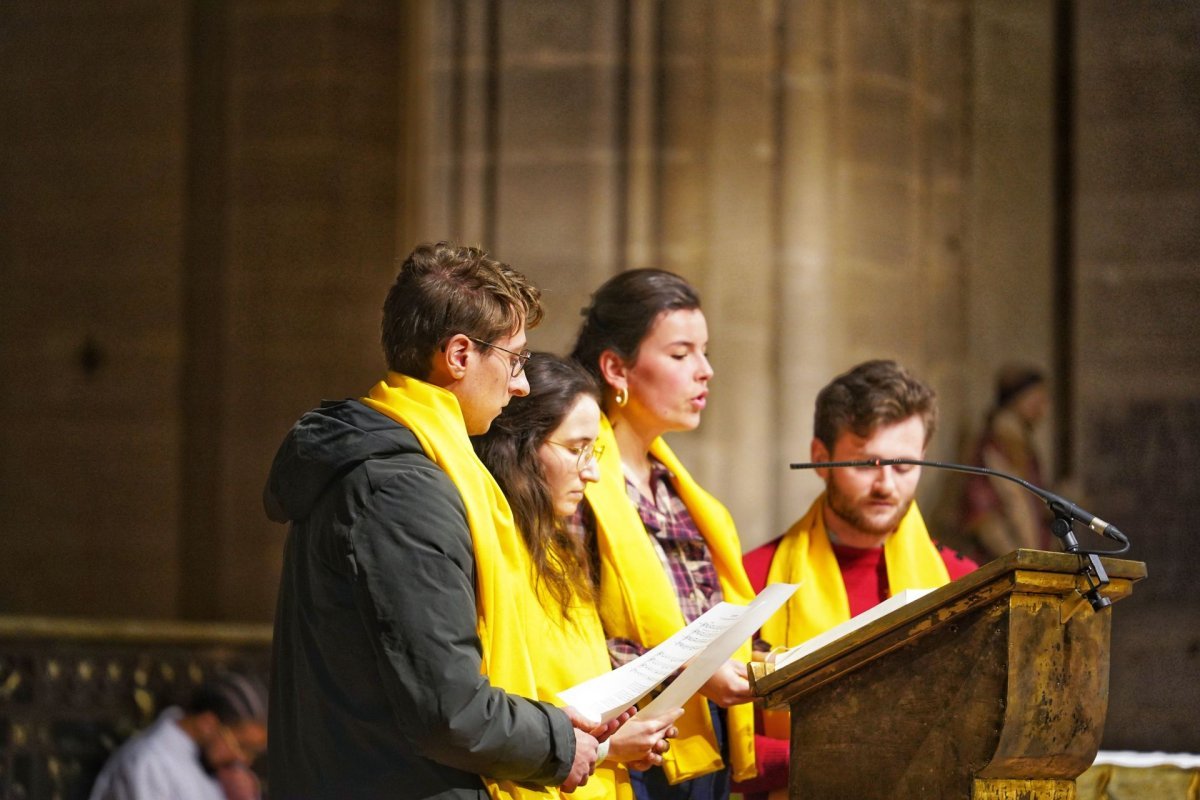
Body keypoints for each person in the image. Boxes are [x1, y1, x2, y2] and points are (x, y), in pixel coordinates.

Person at [264, 242, 614, 798]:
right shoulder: (401, 489)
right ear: (458, 355)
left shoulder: (380, 465)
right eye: (515, 359)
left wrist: (547, 725)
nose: (521, 383)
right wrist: (555, 743)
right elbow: (446, 709)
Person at [738, 359, 977, 800]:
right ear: (820, 459)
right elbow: (721, 748)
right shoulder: (752, 581)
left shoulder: (963, 584)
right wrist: (841, 759)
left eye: (904, 466)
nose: (886, 485)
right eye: (867, 464)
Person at [568, 269, 758, 800]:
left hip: (704, 734)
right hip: (626, 742)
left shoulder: (680, 489)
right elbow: (571, 631)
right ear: (616, 368)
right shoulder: (579, 482)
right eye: (681, 354)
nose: (705, 371)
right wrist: (692, 668)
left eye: (704, 352)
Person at [473, 353, 686, 799]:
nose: (591, 472)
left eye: (595, 451)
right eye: (576, 449)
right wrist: (606, 747)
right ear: (522, 446)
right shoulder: (489, 551)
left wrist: (614, 735)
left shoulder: (558, 547)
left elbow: (575, 694)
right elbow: (490, 716)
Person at [89, 672, 267, 800]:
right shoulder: (150, 763)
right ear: (207, 723)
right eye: (242, 746)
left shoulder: (213, 768)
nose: (244, 759)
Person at [960, 364, 1054, 561]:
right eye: (1036, 399)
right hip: (1002, 558)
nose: (1042, 408)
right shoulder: (993, 445)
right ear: (1017, 399)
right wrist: (1015, 557)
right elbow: (982, 513)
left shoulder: (1025, 445)